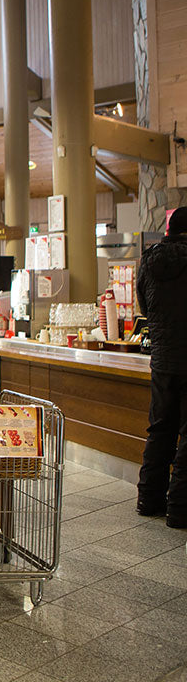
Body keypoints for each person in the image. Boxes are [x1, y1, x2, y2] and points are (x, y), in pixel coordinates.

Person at [136, 207, 187, 529]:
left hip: (162, 358)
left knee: (160, 429)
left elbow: (144, 307)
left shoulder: (149, 260)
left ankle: (148, 500)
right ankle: (180, 509)